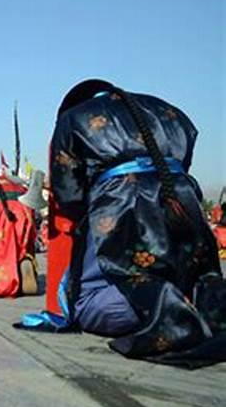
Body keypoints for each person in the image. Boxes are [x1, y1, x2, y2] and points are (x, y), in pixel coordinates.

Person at [37, 79, 225, 365]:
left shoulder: (74, 118)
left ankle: (169, 306)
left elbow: (69, 195)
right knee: (196, 273)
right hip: (180, 196)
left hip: (120, 203)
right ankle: (194, 298)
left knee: (88, 304)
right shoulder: (168, 110)